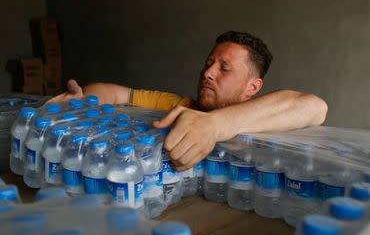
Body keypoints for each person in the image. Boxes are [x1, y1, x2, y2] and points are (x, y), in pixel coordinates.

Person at [48, 31, 328, 171]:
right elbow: (113, 91)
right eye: (208, 64)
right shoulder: (175, 106)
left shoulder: (264, 118)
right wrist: (84, 100)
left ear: (252, 87)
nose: (207, 73)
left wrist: (214, 126)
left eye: (224, 69)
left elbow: (314, 107)